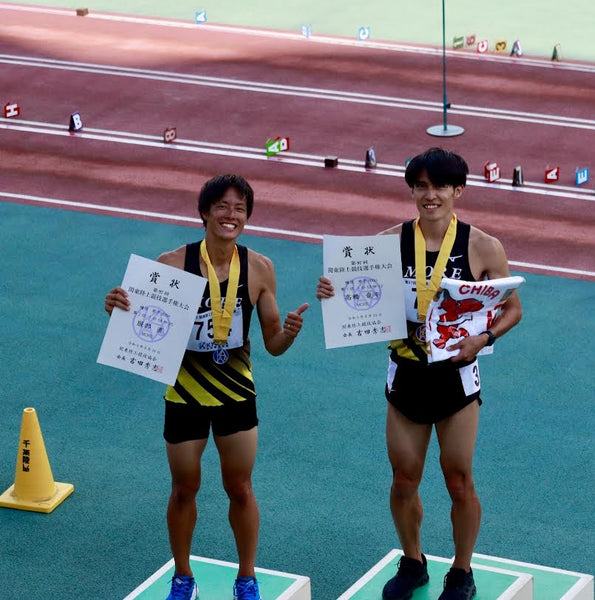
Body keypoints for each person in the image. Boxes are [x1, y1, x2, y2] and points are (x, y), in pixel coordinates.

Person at [316, 148, 522, 600]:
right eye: (422, 186)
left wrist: (483, 340)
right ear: (412, 190)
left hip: (456, 375)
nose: (431, 195)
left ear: (458, 190)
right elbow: (357, 294)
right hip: (406, 374)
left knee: (459, 479)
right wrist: (333, 291)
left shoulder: (483, 246)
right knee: (404, 478)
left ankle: (462, 572)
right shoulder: (387, 241)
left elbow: (513, 309)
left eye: (441, 186)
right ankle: (413, 562)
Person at [104, 174, 309, 600]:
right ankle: (183, 578)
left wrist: (288, 332)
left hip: (236, 394)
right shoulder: (171, 264)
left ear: (247, 218)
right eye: (222, 206)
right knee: (183, 489)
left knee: (240, 488)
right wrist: (116, 308)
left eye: (239, 208)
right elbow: (140, 326)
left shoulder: (260, 268)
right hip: (184, 396)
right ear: (204, 213)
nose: (230, 215)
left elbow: (272, 344)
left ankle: (247, 578)